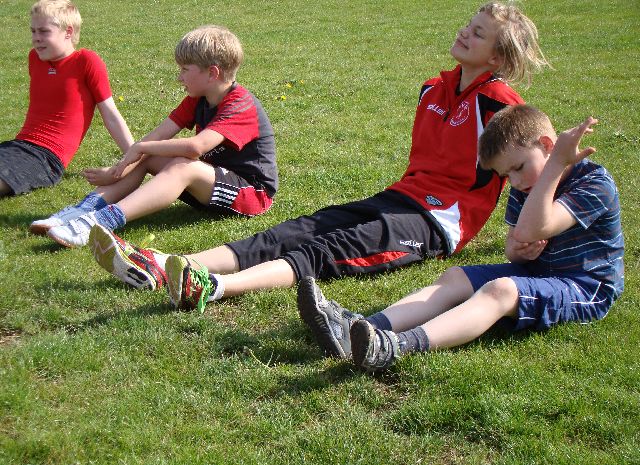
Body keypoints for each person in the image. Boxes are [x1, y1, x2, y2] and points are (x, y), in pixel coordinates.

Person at [89, 2, 548, 311]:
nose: (465, 32)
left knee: (327, 251)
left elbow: (532, 167)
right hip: (400, 197)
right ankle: (170, 263)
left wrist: (530, 232)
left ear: (498, 59)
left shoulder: (499, 105)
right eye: (469, 24)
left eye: (479, 33)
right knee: (298, 229)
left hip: (437, 222)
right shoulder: (433, 89)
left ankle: (212, 287)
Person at [298, 105, 624, 371]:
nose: (513, 181)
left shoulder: (594, 183)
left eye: (517, 168)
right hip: (537, 272)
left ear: (548, 146)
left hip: (584, 286)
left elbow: (533, 228)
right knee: (455, 277)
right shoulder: (526, 185)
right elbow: (515, 244)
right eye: (506, 175)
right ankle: (361, 327)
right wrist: (518, 251)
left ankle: (393, 347)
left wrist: (555, 166)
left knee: (500, 291)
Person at [33, 25, 277, 250]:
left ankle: (100, 222)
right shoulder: (198, 99)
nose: (179, 77)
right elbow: (157, 136)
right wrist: (121, 167)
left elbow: (195, 147)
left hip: (251, 194)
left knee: (181, 165)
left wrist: (142, 148)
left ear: (212, 73)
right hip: (212, 181)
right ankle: (82, 211)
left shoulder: (241, 105)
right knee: (151, 154)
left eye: (185, 70)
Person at [0, 0, 133, 198]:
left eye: (44, 31)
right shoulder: (35, 58)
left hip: (47, 158)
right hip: (16, 146)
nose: (36, 38)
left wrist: (134, 159)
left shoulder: (86, 61)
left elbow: (111, 114)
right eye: (33, 31)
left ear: (68, 32)